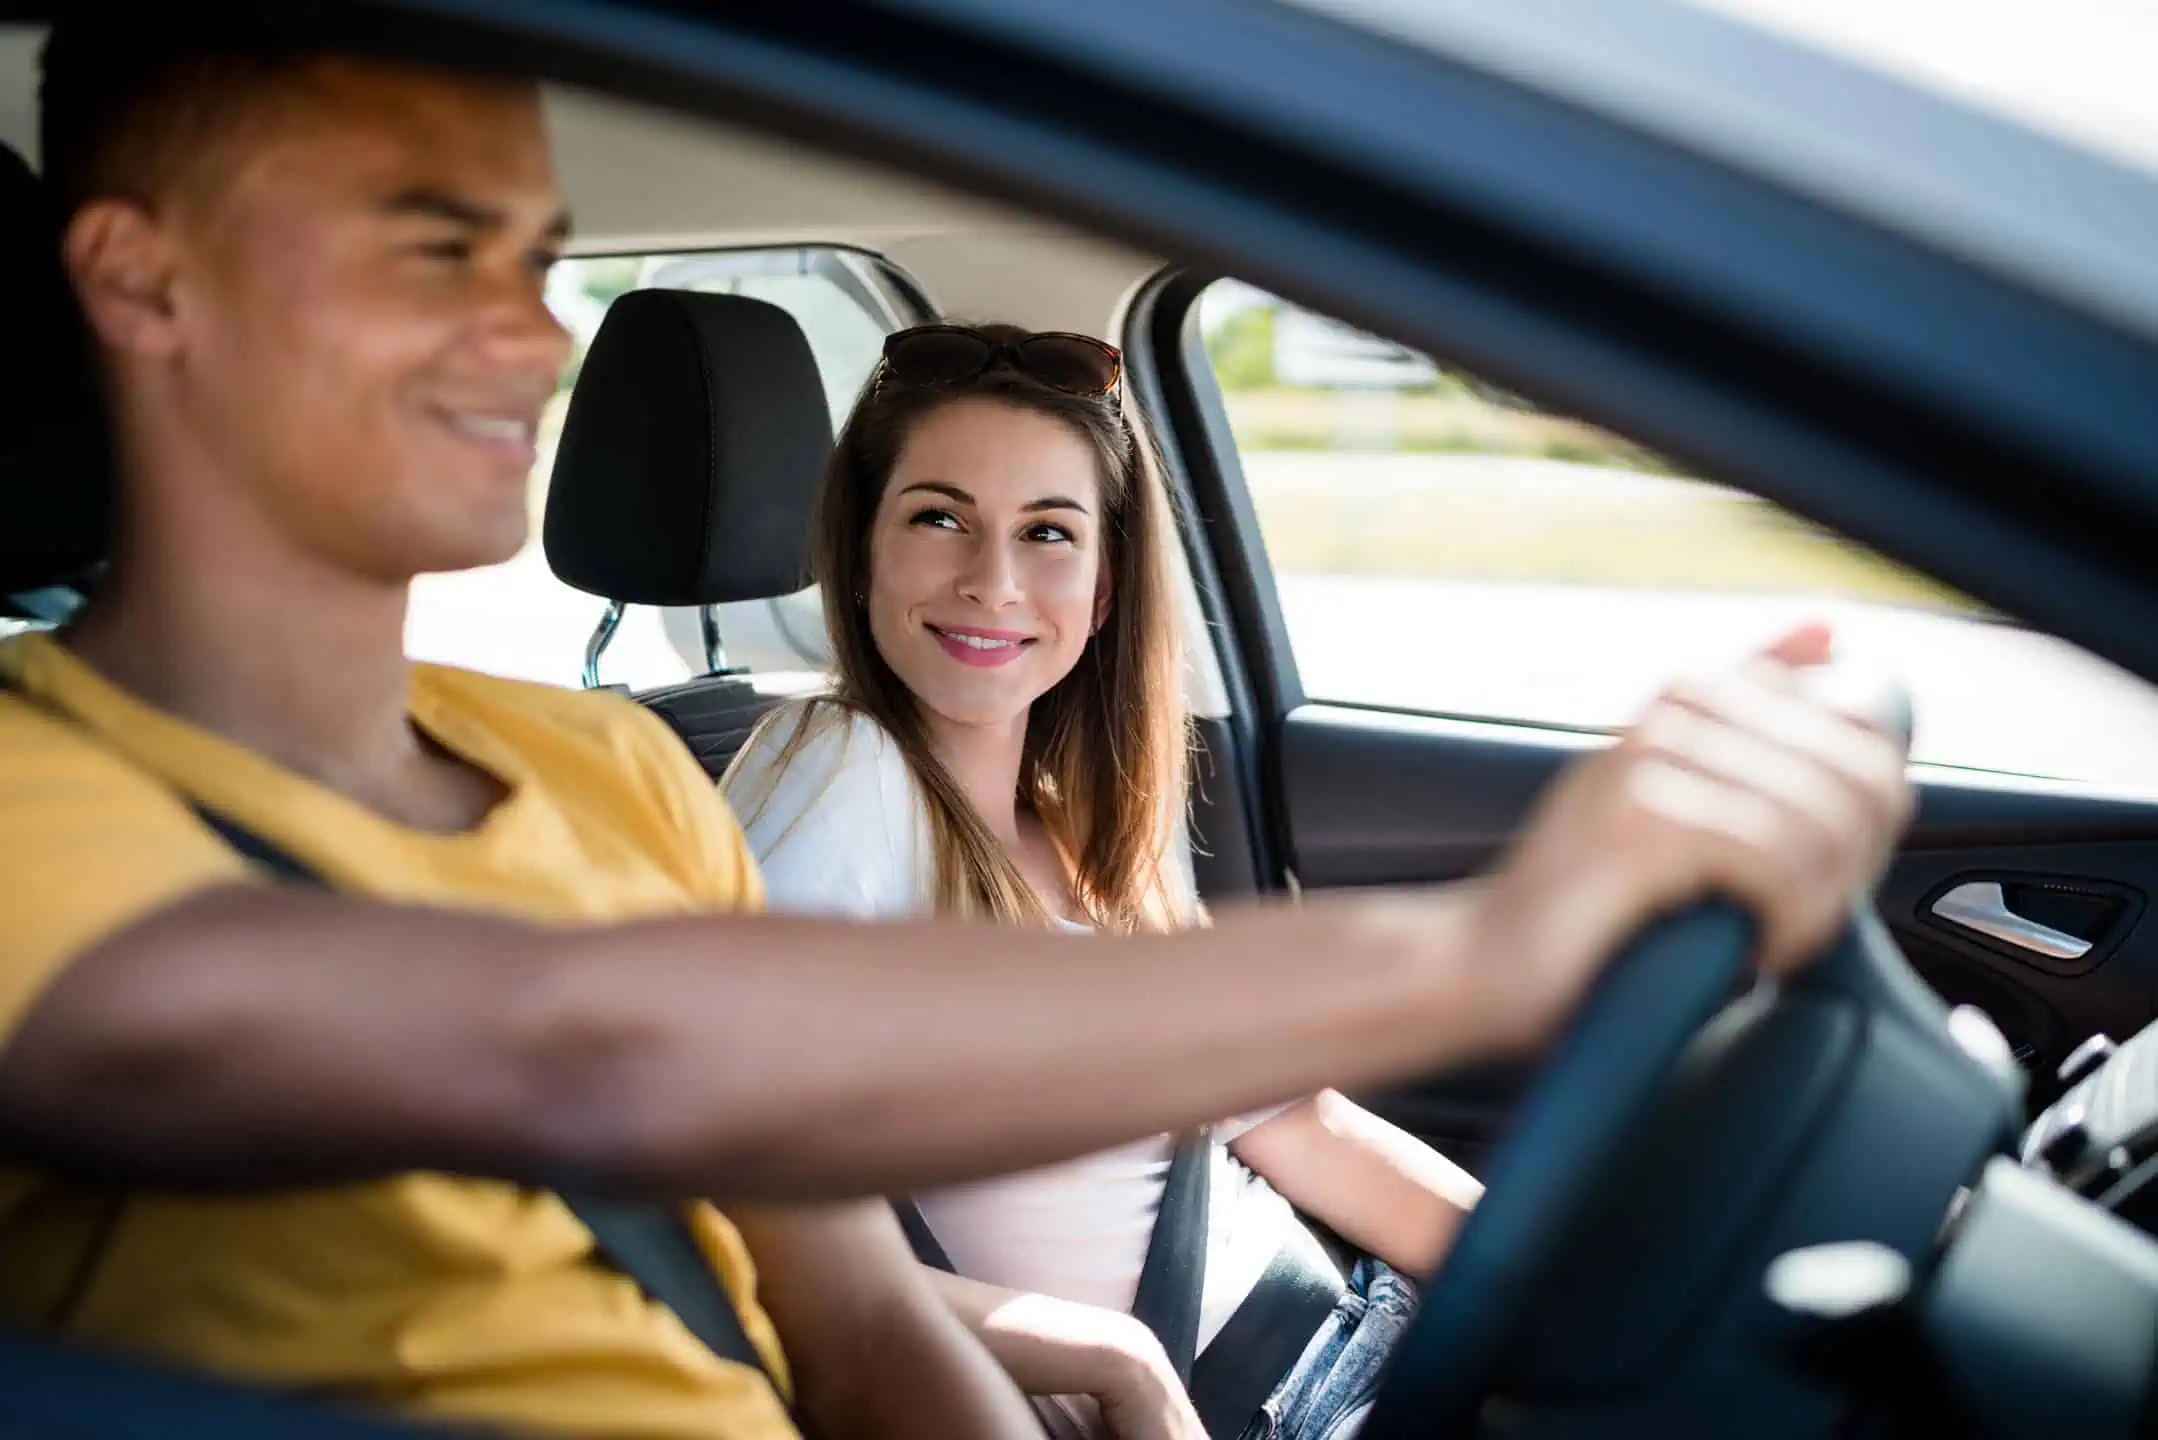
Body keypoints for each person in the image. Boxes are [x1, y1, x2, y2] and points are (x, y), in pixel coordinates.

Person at [0, 13, 1913, 1440]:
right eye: (438, 249)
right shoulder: (31, 794)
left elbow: (846, 1315)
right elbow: (580, 1056)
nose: (537, 332)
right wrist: (1476, 953)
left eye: (534, 257)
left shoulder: (601, 771)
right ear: (142, 279)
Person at [716, 325, 1831, 1439]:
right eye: (939, 517)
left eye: (1048, 532)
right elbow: (726, 1203)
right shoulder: (834, 765)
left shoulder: (1088, 822)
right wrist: (1115, 1362)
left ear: (1103, 591)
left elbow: (1293, 1126)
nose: (992, 581)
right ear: (863, 550)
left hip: (1355, 1327)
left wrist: (1555, 1286)